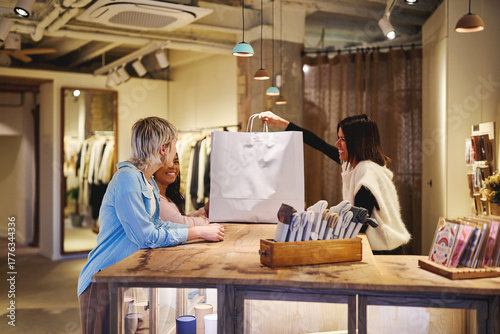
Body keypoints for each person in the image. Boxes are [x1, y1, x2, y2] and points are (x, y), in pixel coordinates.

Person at [78, 117, 224, 333]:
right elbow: (145, 236)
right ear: (163, 149)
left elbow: (159, 225)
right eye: (175, 146)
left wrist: (199, 231)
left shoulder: (146, 181)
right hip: (101, 280)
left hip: (125, 275)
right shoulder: (127, 179)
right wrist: (196, 231)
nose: (176, 153)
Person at [260, 111, 410, 254]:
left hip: (383, 251)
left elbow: (358, 225)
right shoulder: (356, 164)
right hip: (380, 246)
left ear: (357, 142)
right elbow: (320, 144)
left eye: (343, 139)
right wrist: (281, 123)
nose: (337, 144)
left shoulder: (367, 173)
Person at [153, 153, 210, 226]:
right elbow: (181, 223)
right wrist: (203, 220)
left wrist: (204, 211)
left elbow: (178, 218)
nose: (172, 166)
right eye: (166, 162)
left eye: (176, 162)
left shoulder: (166, 196)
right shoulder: (156, 199)